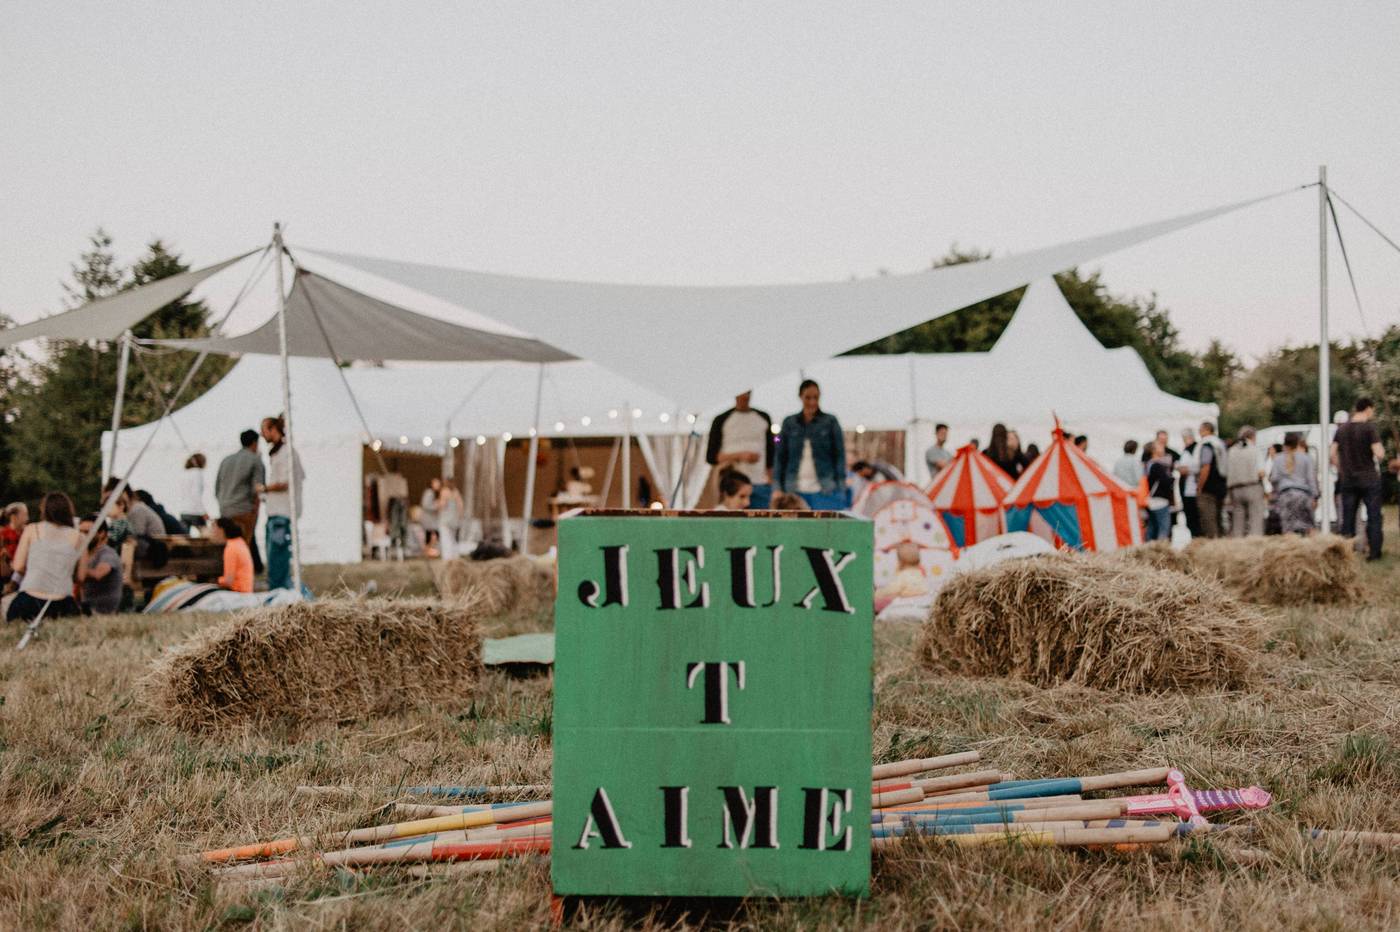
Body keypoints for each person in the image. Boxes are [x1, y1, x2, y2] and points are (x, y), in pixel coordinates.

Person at [5, 492, 85, 623]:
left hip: (29, 598)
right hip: (63, 601)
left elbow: (18, 565)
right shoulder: (79, 537)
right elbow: (81, 577)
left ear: (44, 510)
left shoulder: (32, 529)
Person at [774, 379, 847, 509]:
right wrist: (777, 487)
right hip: (793, 489)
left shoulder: (831, 421)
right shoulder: (788, 423)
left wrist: (841, 486)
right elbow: (780, 455)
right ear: (800, 397)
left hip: (825, 489)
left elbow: (840, 455)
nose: (812, 402)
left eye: (816, 397)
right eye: (808, 397)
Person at [1333, 397, 1386, 560]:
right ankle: (1374, 553)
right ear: (1368, 409)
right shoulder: (1369, 428)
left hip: (1348, 479)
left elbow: (1331, 454)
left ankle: (1346, 554)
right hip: (1369, 478)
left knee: (1347, 520)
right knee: (1373, 517)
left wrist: (1341, 469)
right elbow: (1379, 453)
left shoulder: (1341, 430)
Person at [706, 391, 775, 509]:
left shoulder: (763, 418)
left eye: (748, 393)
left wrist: (771, 482)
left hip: (760, 483)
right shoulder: (721, 419)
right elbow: (711, 457)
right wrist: (740, 456)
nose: (745, 396)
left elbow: (770, 454)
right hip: (733, 486)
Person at [259, 415, 305, 590]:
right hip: (275, 511)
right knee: (273, 555)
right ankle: (277, 587)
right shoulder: (279, 452)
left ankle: (279, 589)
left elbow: (286, 482)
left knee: (278, 555)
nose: (262, 435)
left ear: (273, 430)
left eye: (264, 430)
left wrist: (264, 488)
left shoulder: (287, 453)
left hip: (282, 512)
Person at [215, 429, 265, 574]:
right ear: (255, 443)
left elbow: (217, 487)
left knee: (231, 547)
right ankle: (244, 579)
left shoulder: (226, 460)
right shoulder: (255, 460)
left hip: (225, 509)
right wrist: (254, 509)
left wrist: (223, 504)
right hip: (244, 509)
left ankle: (236, 575)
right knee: (244, 547)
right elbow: (258, 488)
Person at [1271, 432, 1319, 536]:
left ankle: (1291, 549)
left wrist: (1275, 492)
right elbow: (1311, 479)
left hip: (1285, 496)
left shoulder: (1278, 459)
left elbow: (1274, 478)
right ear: (1298, 443)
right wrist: (1315, 496)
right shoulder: (1306, 458)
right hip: (1303, 496)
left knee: (1288, 527)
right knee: (1309, 526)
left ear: (1284, 443)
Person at [78, 514, 123, 615]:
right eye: (80, 532)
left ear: (101, 533)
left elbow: (98, 574)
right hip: (86, 606)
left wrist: (76, 570)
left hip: (101, 610)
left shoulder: (107, 553)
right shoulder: (85, 553)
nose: (82, 536)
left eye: (86, 532)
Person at [1227, 426, 1267, 537]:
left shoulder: (1232, 450)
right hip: (1252, 486)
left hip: (1235, 489)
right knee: (1255, 519)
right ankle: (1255, 541)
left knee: (1238, 520)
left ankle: (1238, 544)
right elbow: (1261, 472)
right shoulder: (1254, 449)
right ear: (1252, 436)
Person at [1196, 421, 1228, 538]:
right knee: (1219, 516)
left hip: (1209, 486)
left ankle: (1213, 542)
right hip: (1221, 484)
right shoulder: (1220, 443)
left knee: (1209, 518)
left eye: (1200, 430)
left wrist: (1200, 486)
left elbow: (1206, 466)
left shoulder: (1207, 445)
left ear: (1206, 430)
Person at [208, 516, 254, 593]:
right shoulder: (239, 542)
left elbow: (228, 581)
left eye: (214, 529)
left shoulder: (231, 548)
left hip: (239, 592)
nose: (212, 533)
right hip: (246, 589)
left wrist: (214, 581)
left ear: (221, 530)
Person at [1145, 440, 1176, 541]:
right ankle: (1160, 549)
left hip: (1151, 500)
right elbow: (1165, 481)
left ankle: (1148, 547)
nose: (1163, 447)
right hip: (1160, 500)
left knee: (1152, 527)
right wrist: (1172, 478)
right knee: (1164, 527)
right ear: (1154, 450)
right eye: (1159, 446)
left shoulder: (1148, 464)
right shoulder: (1157, 465)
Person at [1178, 428, 1201, 539]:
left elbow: (1185, 469)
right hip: (1190, 489)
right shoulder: (1191, 450)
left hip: (1192, 490)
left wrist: (1182, 468)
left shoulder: (1193, 450)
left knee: (1193, 518)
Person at [180, 453, 208, 529]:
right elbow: (196, 494)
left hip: (184, 511)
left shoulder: (185, 473)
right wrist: (203, 512)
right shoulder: (197, 473)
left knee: (185, 537)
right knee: (206, 537)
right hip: (195, 512)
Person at [437, 483, 463, 560]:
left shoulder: (444, 491)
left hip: (446, 519)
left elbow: (442, 505)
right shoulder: (456, 492)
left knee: (445, 538)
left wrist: (438, 505)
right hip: (454, 519)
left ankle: (447, 557)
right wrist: (459, 517)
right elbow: (461, 506)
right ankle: (455, 556)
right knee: (453, 539)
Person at [420, 477, 442, 553]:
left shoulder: (431, 493)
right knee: (434, 533)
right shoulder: (429, 492)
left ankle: (429, 550)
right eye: (437, 483)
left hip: (431, 519)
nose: (438, 485)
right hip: (429, 519)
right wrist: (436, 506)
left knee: (431, 534)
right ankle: (427, 550)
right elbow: (426, 505)